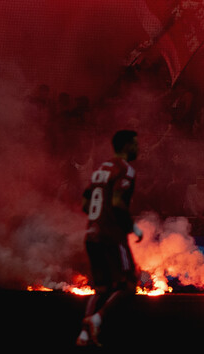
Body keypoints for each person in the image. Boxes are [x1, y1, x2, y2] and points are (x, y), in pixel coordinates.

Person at [77, 129, 143, 346]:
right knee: (129, 284)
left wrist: (98, 218)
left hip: (91, 234)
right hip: (111, 235)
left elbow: (86, 204)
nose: (138, 148)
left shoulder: (99, 170)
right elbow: (117, 202)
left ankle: (84, 335)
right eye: (135, 144)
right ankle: (98, 318)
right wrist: (132, 226)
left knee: (102, 288)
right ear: (126, 146)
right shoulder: (125, 170)